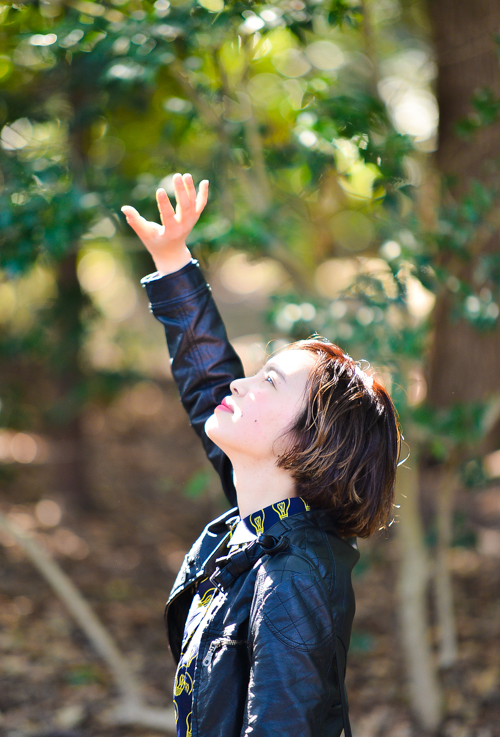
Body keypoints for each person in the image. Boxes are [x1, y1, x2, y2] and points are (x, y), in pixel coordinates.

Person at [121, 173, 401, 737]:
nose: (240, 385)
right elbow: (208, 382)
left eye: (269, 383)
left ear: (307, 444)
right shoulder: (264, 517)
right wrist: (174, 261)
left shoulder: (292, 575)